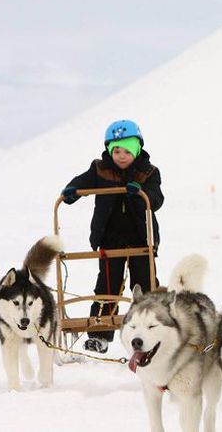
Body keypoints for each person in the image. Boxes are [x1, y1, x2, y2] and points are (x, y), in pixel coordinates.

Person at [61, 119, 164, 353]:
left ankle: (155, 331)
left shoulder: (148, 172)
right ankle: (100, 333)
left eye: (127, 150)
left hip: (141, 240)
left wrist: (141, 193)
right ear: (109, 150)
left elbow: (156, 200)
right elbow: (83, 181)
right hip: (110, 238)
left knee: (145, 286)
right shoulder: (100, 168)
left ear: (137, 149)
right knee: (108, 286)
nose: (121, 155)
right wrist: (72, 191)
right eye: (116, 150)